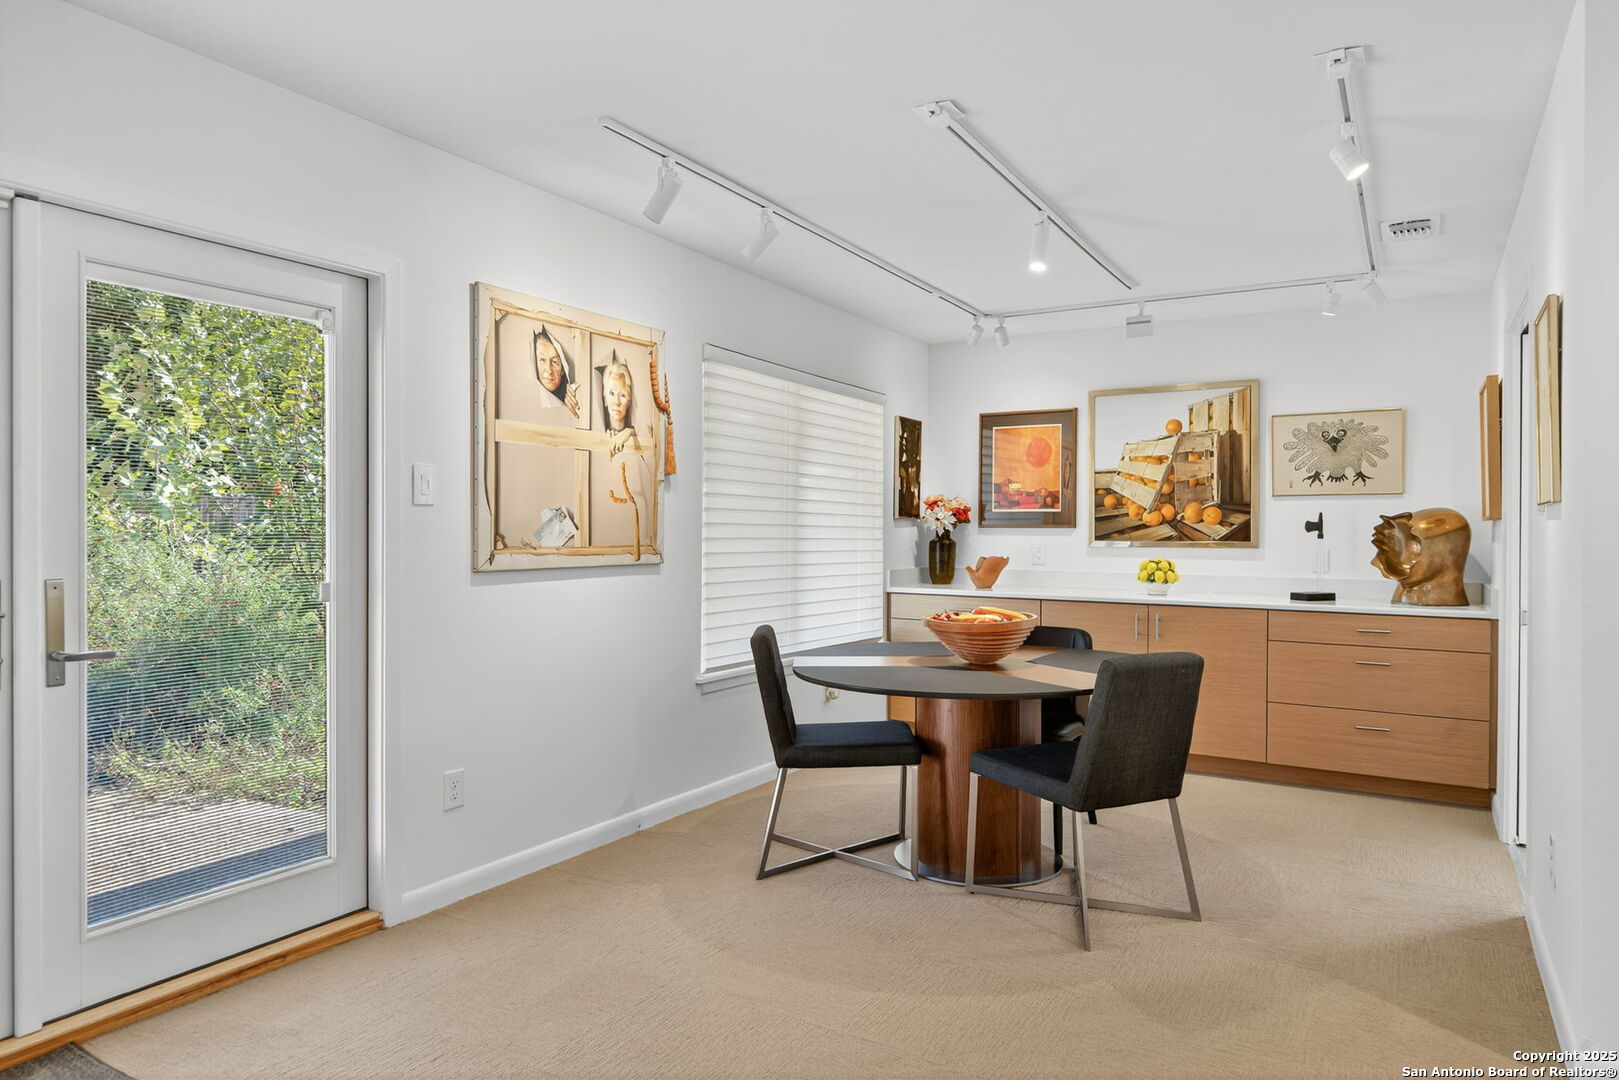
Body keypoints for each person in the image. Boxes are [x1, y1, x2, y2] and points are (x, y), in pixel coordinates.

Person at [533, 326, 579, 417]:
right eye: (542, 360)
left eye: (555, 362)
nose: (549, 369)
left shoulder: (569, 394)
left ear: (563, 370)